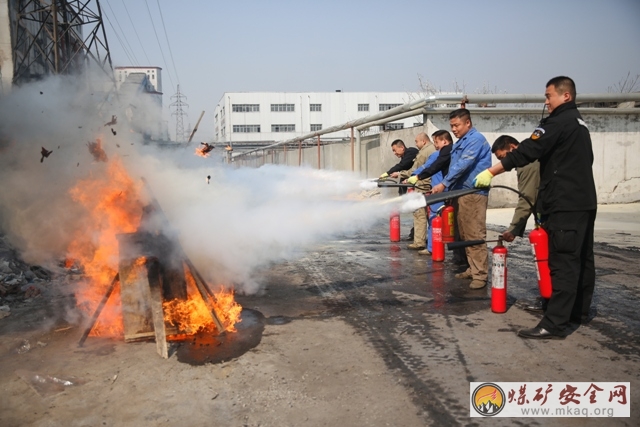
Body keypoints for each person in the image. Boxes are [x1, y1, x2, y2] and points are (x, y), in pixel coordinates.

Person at [473, 76, 597, 340]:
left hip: (564, 205)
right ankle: (578, 313)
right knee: (582, 259)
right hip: (584, 202)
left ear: (566, 96)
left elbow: (527, 150)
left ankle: (554, 324)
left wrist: (491, 171)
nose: (546, 101)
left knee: (563, 263)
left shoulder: (557, 123)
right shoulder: (579, 124)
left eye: (548, 96)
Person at [431, 109, 492, 289]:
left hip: (472, 193)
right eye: (451, 126)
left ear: (468, 123)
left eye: (456, 125)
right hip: (459, 193)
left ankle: (480, 275)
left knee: (474, 233)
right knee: (463, 233)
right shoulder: (462, 141)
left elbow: (463, 164)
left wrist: (443, 184)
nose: (454, 129)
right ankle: (471, 268)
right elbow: (454, 166)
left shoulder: (475, 140)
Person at [406, 130, 453, 255]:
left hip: (438, 192)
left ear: (444, 141)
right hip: (441, 189)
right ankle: (444, 250)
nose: (435, 145)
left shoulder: (437, 155)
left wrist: (415, 176)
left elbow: (426, 167)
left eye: (436, 142)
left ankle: (433, 248)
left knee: (434, 218)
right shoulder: (443, 154)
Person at [391, 132, 436, 250]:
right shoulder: (431, 150)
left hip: (423, 186)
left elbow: (416, 170)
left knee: (419, 214)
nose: (415, 144)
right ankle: (429, 244)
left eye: (417, 141)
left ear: (423, 141)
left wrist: (401, 174)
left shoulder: (425, 152)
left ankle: (419, 242)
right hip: (428, 185)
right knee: (429, 216)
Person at [491, 135, 540, 243]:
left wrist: (513, 230)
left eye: (503, 158)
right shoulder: (527, 159)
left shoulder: (527, 165)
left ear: (513, 147)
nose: (504, 163)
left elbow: (527, 199)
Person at [379, 139, 419, 240]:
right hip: (412, 188)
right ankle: (415, 233)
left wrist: (388, 173)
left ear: (402, 147)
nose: (394, 153)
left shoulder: (411, 153)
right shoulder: (406, 156)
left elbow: (402, 166)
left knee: (418, 212)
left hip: (419, 187)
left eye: (395, 150)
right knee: (416, 212)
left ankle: (417, 235)